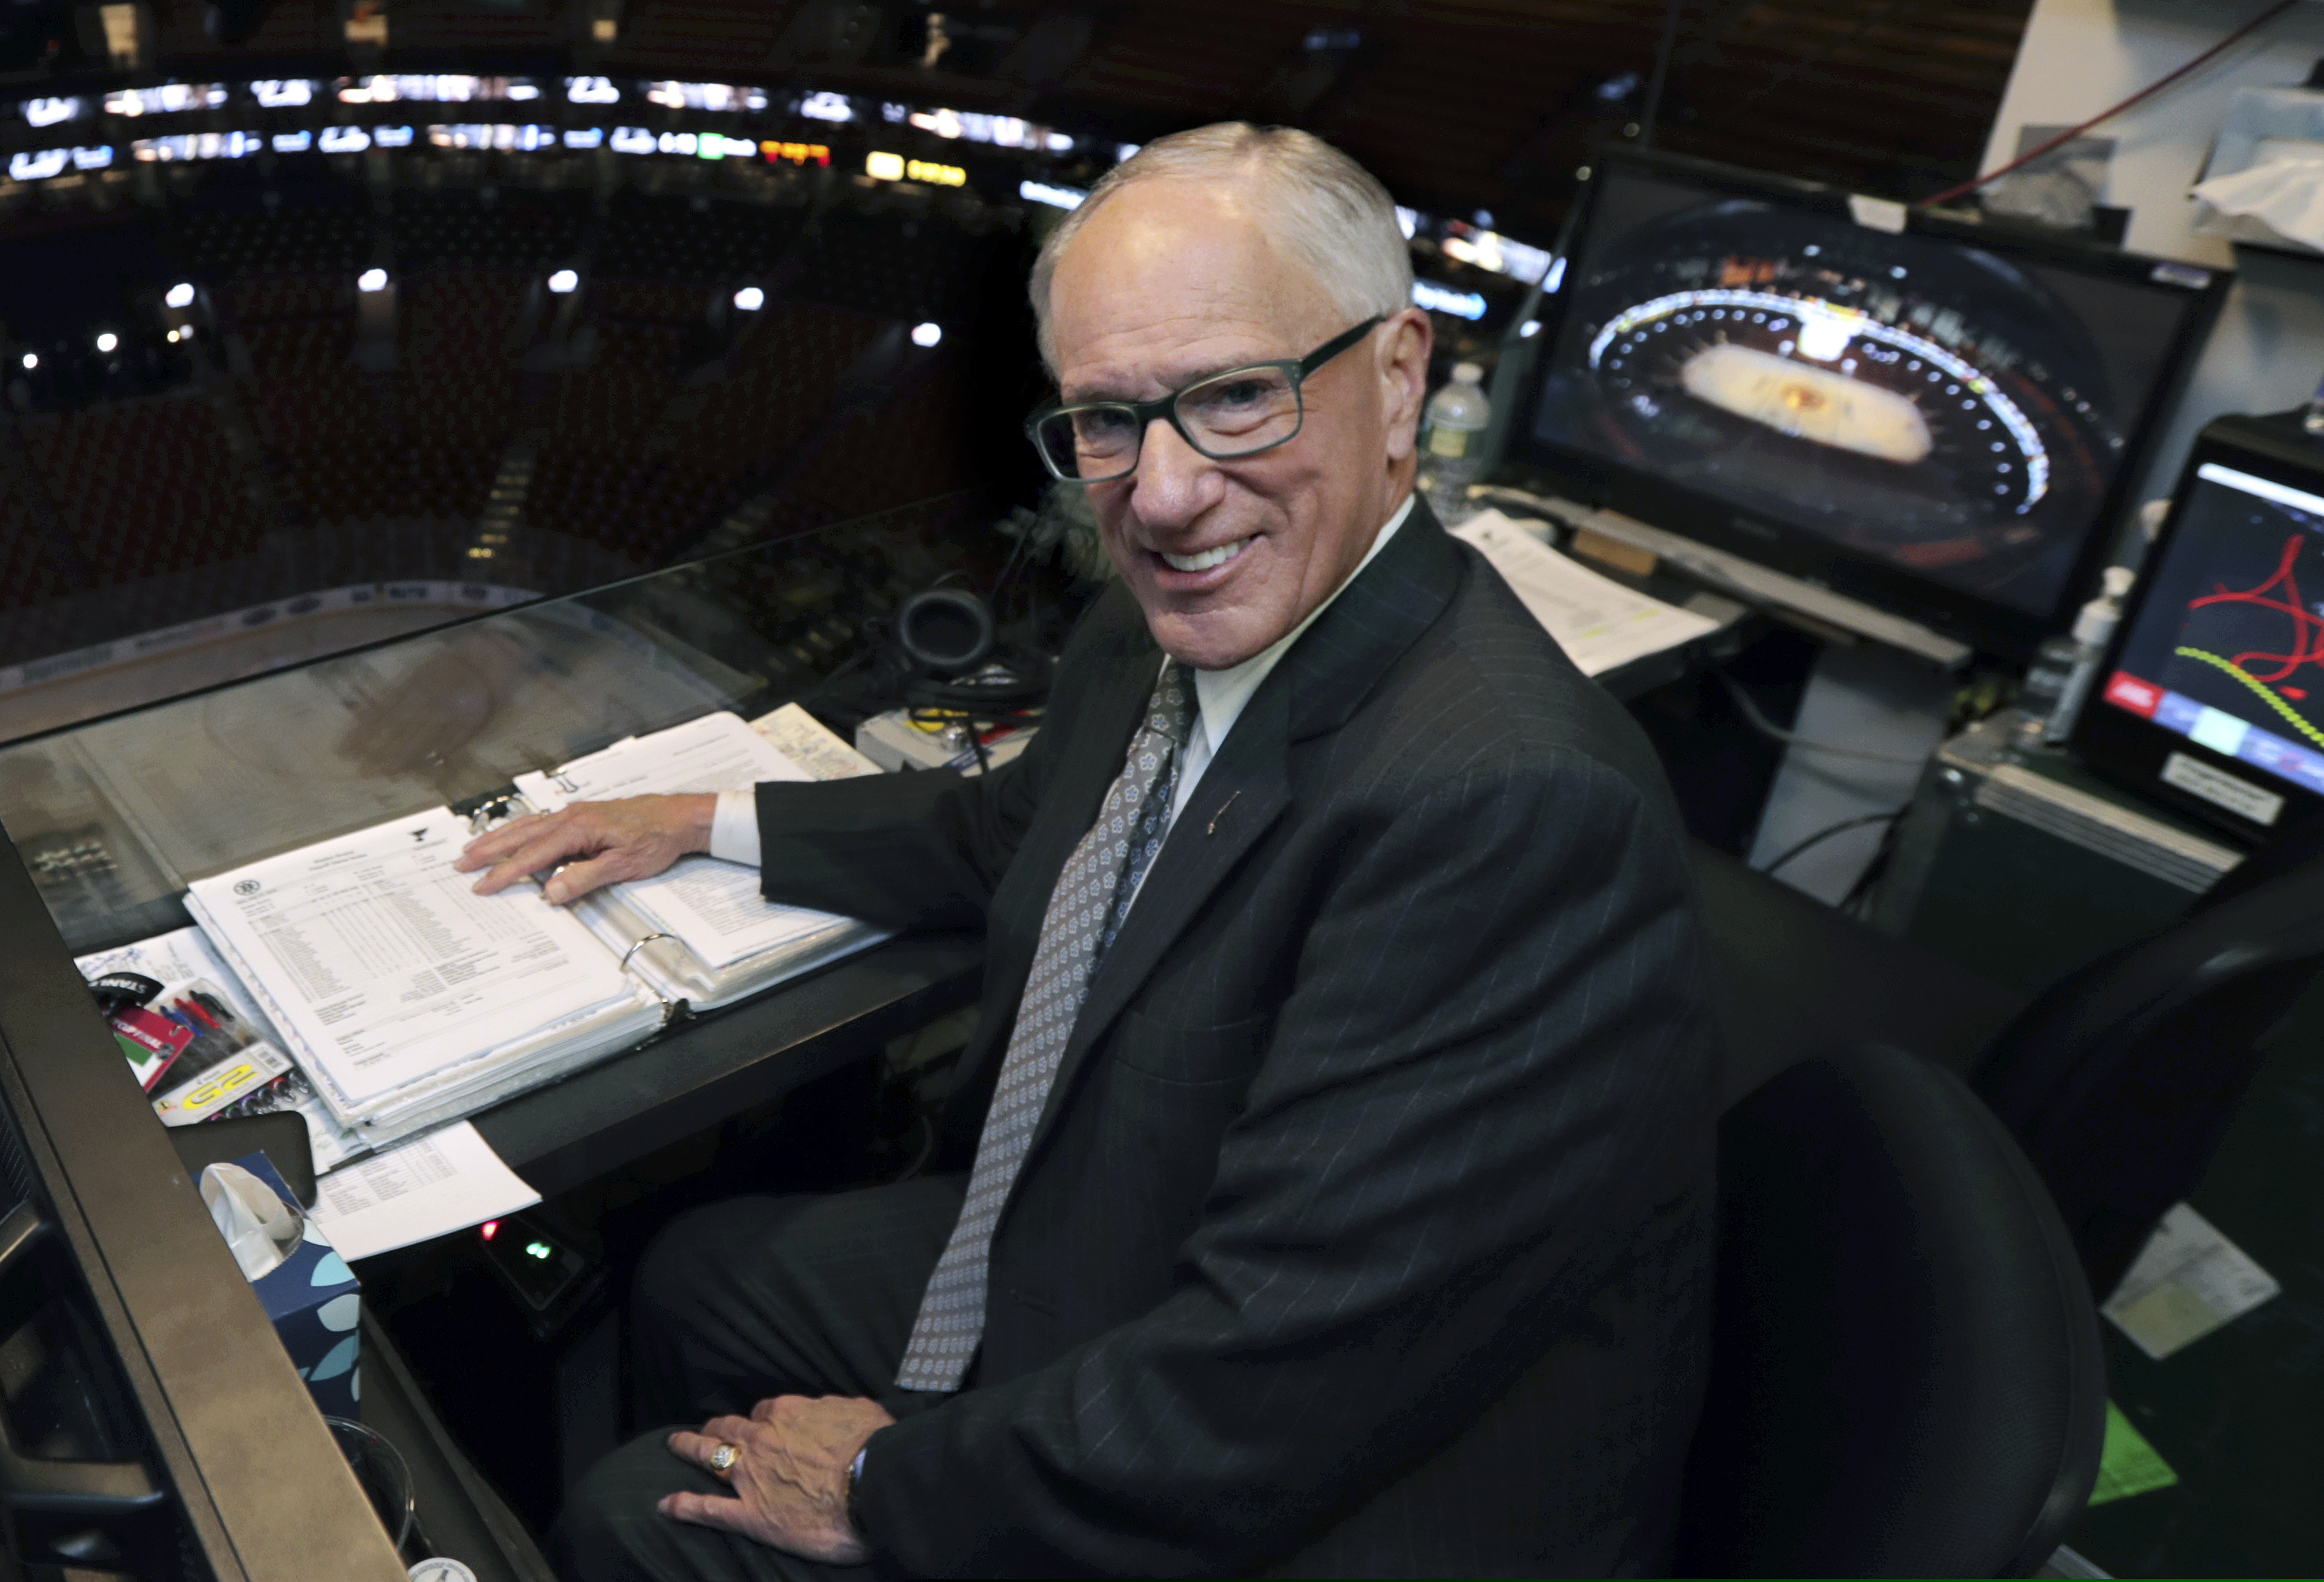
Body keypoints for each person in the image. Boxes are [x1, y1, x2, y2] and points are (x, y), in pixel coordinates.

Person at [459, 122, 1718, 1580]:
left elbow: (1264, 1388)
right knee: (698, 1280)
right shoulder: (1160, 628)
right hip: (1151, 1257)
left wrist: (876, 1476)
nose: (1164, 493)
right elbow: (1012, 832)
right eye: (1107, 420)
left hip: (1317, 1478)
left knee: (630, 1520)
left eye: (1236, 396)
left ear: (1395, 379)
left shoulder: (1504, 807)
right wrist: (702, 821)